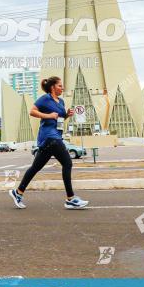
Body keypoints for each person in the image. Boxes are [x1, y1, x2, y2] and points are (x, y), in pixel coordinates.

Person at [9, 76, 89, 210]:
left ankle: (17, 193)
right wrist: (48, 115)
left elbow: (60, 117)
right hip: (49, 137)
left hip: (55, 136)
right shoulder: (45, 98)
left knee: (35, 167)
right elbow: (32, 111)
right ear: (52, 87)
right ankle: (70, 198)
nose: (62, 88)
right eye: (59, 86)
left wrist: (67, 114)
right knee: (67, 163)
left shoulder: (61, 101)